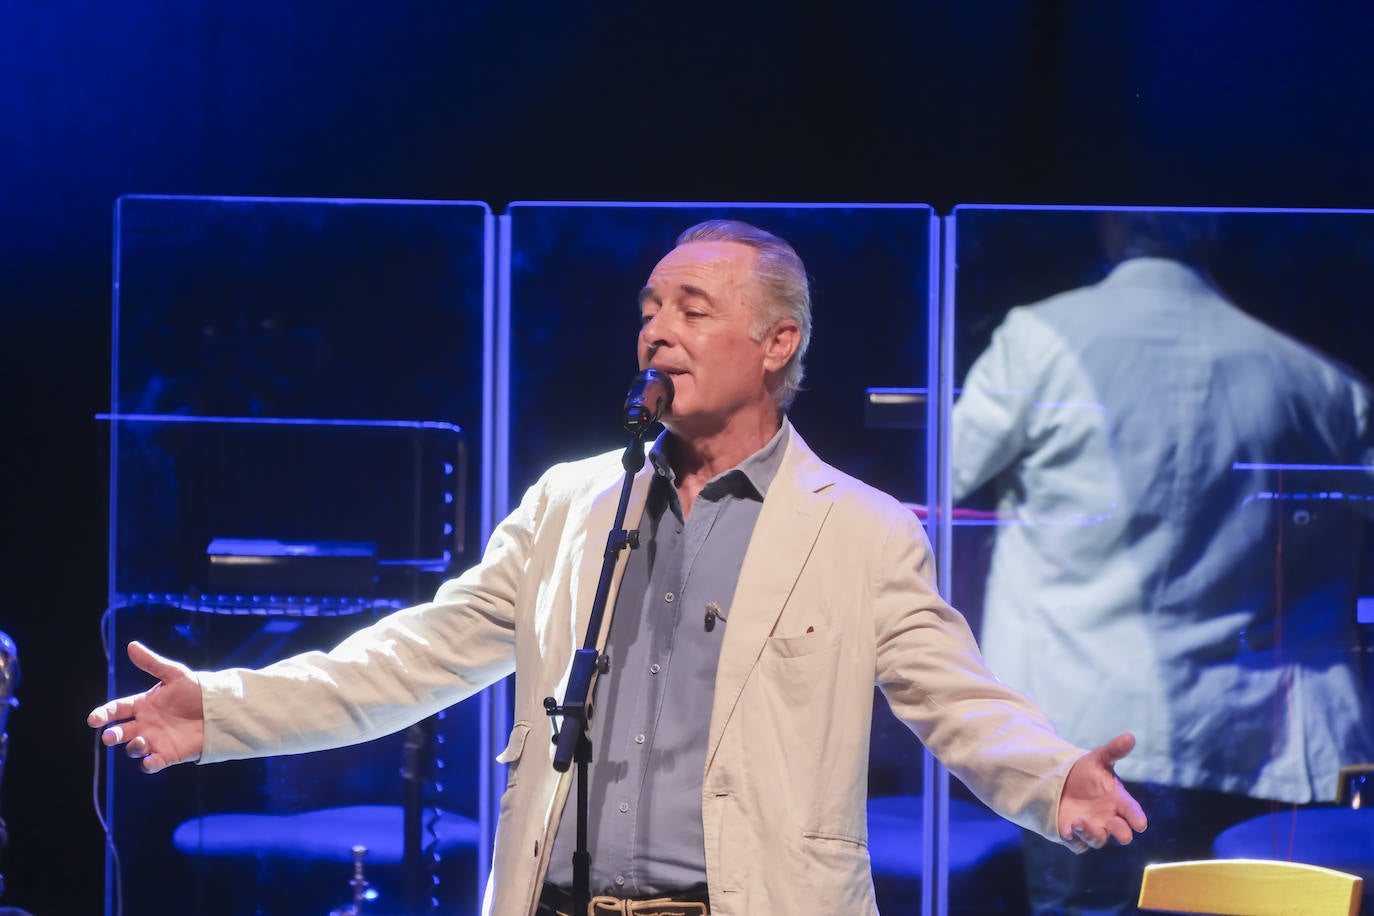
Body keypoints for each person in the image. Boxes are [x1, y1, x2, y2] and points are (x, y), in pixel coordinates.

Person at [90, 220, 1146, 916]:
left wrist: (1054, 775)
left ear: (778, 343)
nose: (658, 331)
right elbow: (414, 657)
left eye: (694, 309)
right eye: (649, 307)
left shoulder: (860, 529)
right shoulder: (570, 506)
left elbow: (953, 700)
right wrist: (225, 711)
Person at [951, 212, 1374, 914]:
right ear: (1212, 232)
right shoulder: (1306, 377)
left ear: (1108, 228)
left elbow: (945, 473)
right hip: (1244, 741)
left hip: (1079, 730)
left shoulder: (1041, 341)